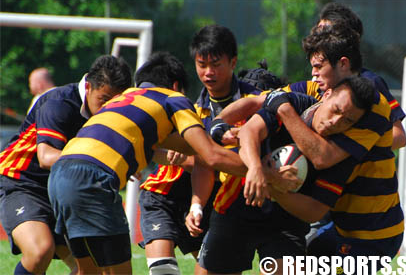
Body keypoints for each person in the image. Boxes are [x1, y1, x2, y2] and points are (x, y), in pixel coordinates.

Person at [47, 51, 294, 275]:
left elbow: (187, 149)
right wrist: (265, 174)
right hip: (94, 179)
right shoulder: (173, 100)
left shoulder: (125, 101)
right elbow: (210, 156)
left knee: (86, 272)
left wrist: (220, 137)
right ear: (177, 86)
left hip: (60, 173)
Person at [205, 24, 403, 272]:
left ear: (342, 64)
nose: (313, 73)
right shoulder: (316, 91)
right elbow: (257, 102)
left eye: (319, 66)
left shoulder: (370, 104)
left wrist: (284, 111)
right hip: (337, 223)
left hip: (372, 230)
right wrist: (219, 125)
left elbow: (321, 158)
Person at [138, 25, 268, 275]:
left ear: (233, 62)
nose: (208, 73)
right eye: (201, 64)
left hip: (269, 204)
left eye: (216, 64)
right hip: (225, 208)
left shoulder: (258, 100)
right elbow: (203, 162)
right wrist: (197, 205)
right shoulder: (193, 113)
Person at [223, 76, 375, 274]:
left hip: (287, 223)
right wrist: (256, 168)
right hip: (238, 204)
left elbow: (315, 211)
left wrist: (276, 186)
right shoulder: (294, 103)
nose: (335, 121)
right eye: (336, 110)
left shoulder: (342, 154)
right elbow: (248, 132)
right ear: (327, 95)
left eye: (347, 120)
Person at [0, 55, 132, 275]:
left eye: (115, 103)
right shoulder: (58, 103)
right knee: (40, 251)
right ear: (88, 86)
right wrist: (100, 162)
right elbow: (46, 156)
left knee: (93, 270)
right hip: (23, 182)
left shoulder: (110, 112)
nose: (108, 109)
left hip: (66, 189)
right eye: (104, 99)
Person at [315, 2, 406, 150]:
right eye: (317, 33)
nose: (317, 40)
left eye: (326, 34)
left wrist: (353, 149)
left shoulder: (369, 83)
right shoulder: (318, 80)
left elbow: (399, 136)